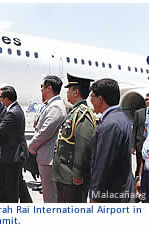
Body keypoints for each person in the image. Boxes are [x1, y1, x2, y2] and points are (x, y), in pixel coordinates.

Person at [51, 73, 97, 203]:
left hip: (71, 176)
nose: (66, 93)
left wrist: (77, 173)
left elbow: (83, 146)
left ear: (76, 92)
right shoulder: (73, 111)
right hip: (63, 174)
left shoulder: (83, 114)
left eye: (69, 90)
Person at [89, 78, 135, 203]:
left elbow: (103, 164)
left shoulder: (110, 124)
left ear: (100, 99)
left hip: (110, 194)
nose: (90, 100)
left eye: (92, 96)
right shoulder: (120, 117)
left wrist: (95, 196)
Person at [0, 86, 29, 203]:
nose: (0, 99)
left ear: (7, 98)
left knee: (12, 186)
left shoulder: (12, 113)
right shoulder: (15, 109)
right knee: (15, 182)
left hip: (13, 153)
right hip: (14, 152)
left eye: (1, 97)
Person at [28, 75, 66, 203]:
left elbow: (45, 132)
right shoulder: (50, 105)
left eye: (42, 87)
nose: (41, 90)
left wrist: (31, 147)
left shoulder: (55, 106)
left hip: (48, 157)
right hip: (45, 156)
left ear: (49, 88)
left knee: (50, 196)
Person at [132, 94, 149, 177]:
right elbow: (134, 130)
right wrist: (133, 146)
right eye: (146, 99)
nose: (148, 101)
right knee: (139, 166)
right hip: (140, 144)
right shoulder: (139, 113)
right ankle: (137, 182)